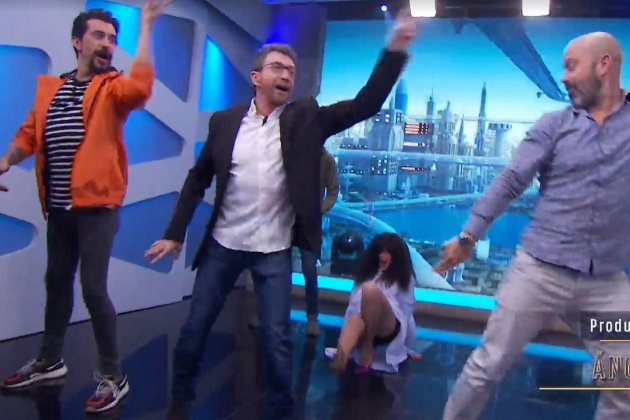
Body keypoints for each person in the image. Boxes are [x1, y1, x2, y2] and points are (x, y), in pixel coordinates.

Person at [144, 10, 418, 419]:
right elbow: (198, 178)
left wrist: (394, 51)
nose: (287, 73)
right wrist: (174, 232)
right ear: (256, 77)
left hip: (272, 250)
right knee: (195, 327)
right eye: (277, 67)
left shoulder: (306, 118)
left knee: (276, 339)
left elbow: (366, 103)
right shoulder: (225, 122)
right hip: (223, 245)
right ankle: (180, 402)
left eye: (291, 69)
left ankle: (282, 411)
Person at [435, 32, 630, 420]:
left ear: (604, 65)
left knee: (623, 381)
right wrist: (469, 235)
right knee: (487, 365)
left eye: (571, 66)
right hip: (539, 272)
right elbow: (511, 181)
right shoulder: (554, 125)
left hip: (605, 282)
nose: (563, 77)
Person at [0, 1, 168, 413]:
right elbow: (29, 134)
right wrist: (5, 160)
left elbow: (141, 86)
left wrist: (147, 26)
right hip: (59, 207)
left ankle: (114, 375)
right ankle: (50, 360)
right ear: (77, 42)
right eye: (98, 35)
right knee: (57, 283)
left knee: (93, 289)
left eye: (112, 38)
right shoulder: (52, 88)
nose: (107, 43)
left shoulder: (112, 88)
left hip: (98, 208)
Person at [249, 146, 339, 336]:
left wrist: (319, 210)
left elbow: (333, 190)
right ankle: (267, 313)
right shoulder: (291, 154)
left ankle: (312, 317)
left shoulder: (326, 159)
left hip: (309, 223)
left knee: (309, 270)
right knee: (278, 269)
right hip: (285, 219)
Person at [328, 233, 421, 375]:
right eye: (380, 251)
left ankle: (367, 347)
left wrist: (406, 348)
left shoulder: (404, 278)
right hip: (362, 324)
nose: (383, 255)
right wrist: (346, 334)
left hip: (389, 326)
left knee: (370, 290)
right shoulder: (364, 274)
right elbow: (352, 307)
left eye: (388, 252)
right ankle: (342, 357)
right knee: (355, 318)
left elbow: (406, 314)